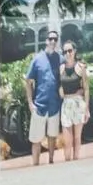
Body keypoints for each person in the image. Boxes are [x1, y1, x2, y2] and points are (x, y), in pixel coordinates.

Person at [23, 28, 64, 164]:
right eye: (50, 39)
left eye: (55, 39)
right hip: (39, 106)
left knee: (52, 137)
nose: (53, 41)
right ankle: (35, 166)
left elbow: (70, 68)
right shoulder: (37, 59)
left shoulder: (60, 58)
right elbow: (28, 81)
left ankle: (51, 162)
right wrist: (30, 103)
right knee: (36, 140)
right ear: (46, 41)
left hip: (54, 105)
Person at [58, 40, 89, 162]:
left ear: (74, 51)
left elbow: (86, 89)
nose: (67, 53)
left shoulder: (81, 67)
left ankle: (76, 162)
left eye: (70, 50)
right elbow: (59, 85)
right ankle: (67, 164)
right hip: (66, 105)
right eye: (65, 51)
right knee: (67, 141)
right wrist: (61, 93)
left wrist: (86, 109)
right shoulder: (61, 68)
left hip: (78, 104)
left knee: (77, 138)